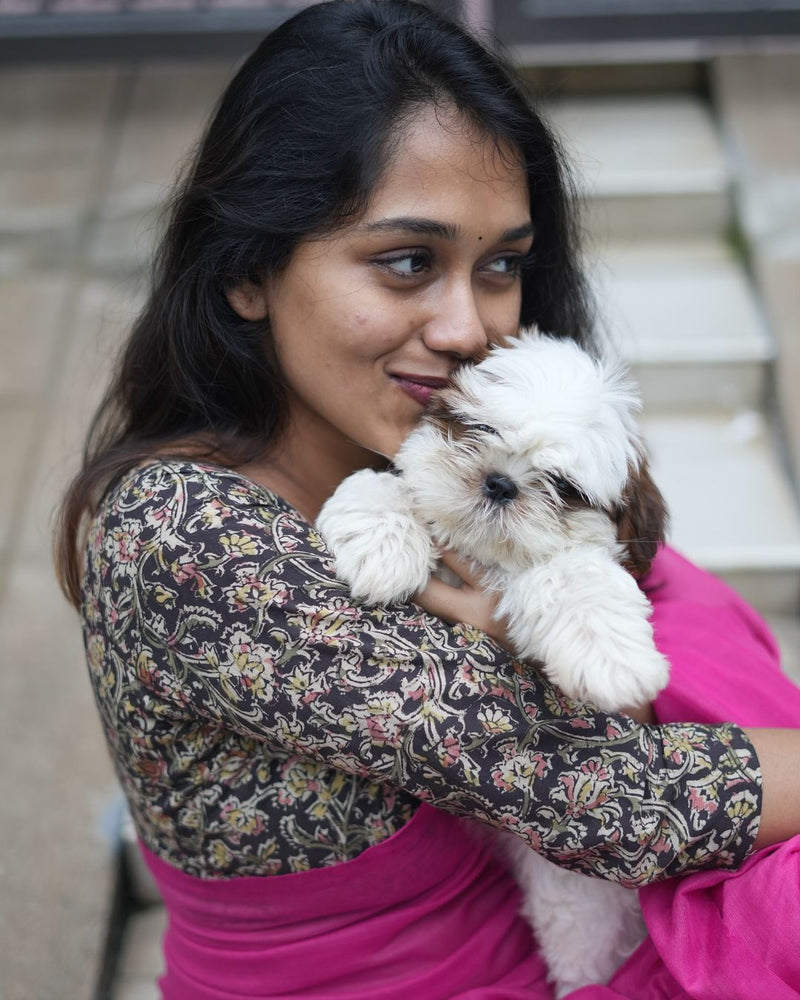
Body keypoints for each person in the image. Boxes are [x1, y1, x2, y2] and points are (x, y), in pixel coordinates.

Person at [56, 2, 800, 997]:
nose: (466, 324)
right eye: (407, 261)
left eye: (499, 265)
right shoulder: (184, 532)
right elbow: (607, 797)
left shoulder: (431, 468)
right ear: (246, 273)